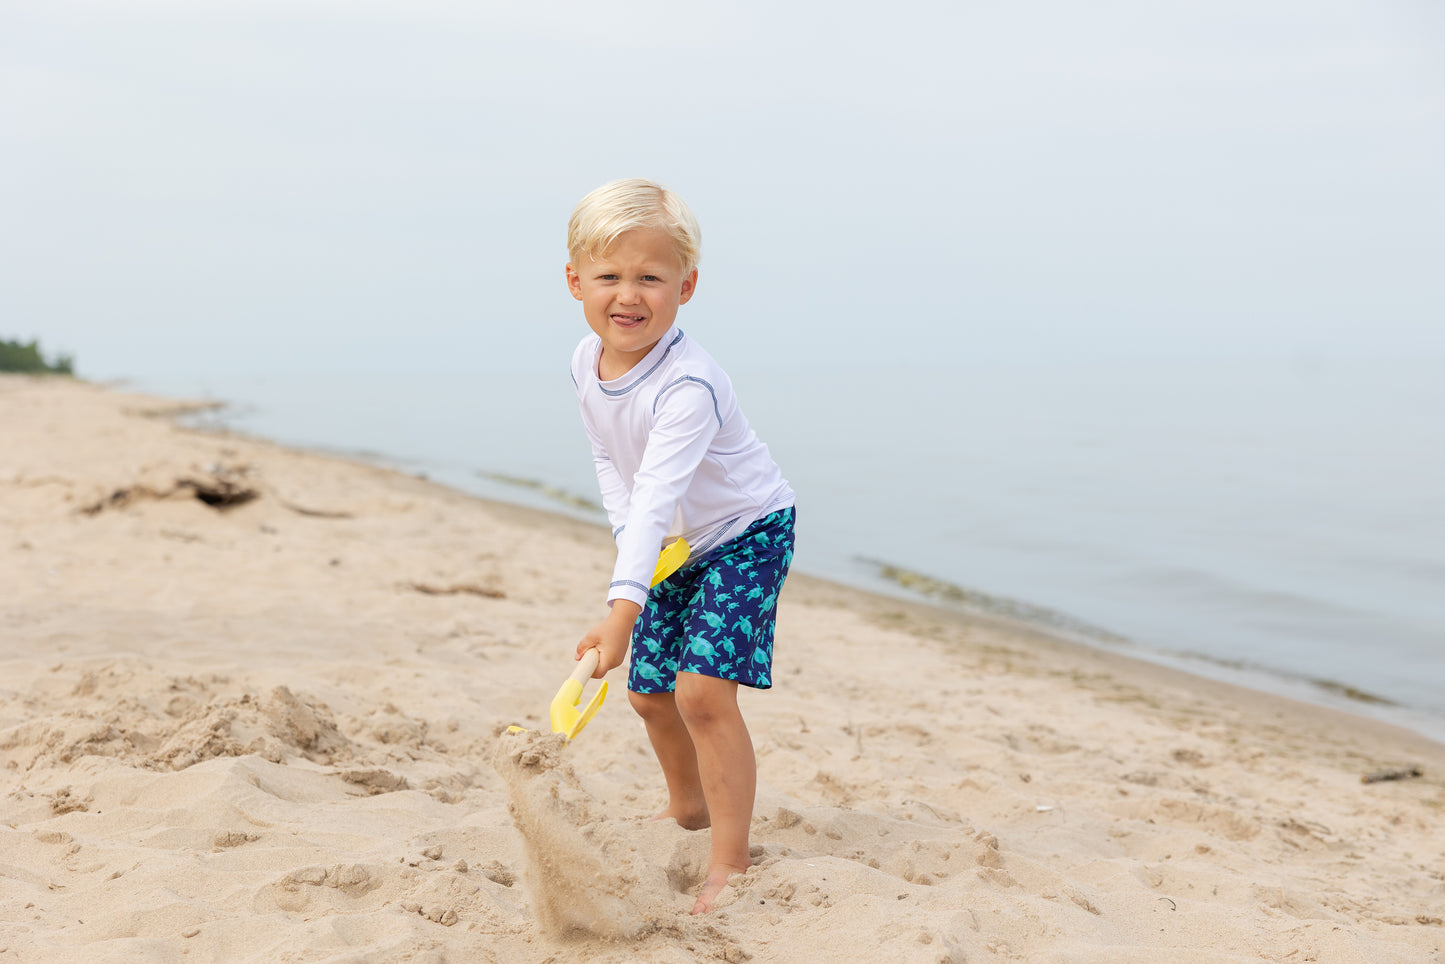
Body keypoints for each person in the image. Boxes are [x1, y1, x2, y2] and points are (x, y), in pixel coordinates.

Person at [565, 178, 796, 915]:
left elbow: (659, 490)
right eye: (608, 276)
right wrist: (630, 554)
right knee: (646, 694)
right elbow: (612, 463)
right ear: (575, 280)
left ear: (685, 285)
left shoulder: (686, 386)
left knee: (700, 693)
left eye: (650, 278)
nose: (627, 295)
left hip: (744, 534)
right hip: (670, 543)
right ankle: (687, 806)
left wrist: (618, 613)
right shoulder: (584, 362)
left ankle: (729, 859)